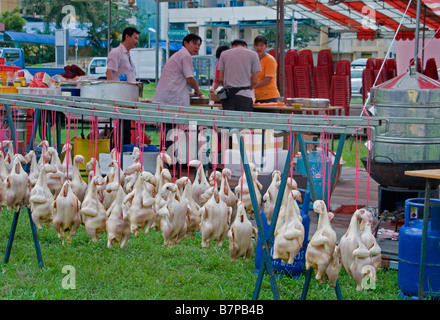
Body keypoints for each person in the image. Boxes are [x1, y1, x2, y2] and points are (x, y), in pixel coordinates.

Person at [106, 27, 140, 145]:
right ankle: (117, 155)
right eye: (135, 38)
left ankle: (124, 154)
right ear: (127, 36)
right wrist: (113, 92)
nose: (137, 41)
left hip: (128, 99)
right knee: (119, 131)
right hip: (119, 99)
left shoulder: (127, 55)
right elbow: (109, 72)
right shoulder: (116, 53)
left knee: (126, 130)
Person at [153, 33, 203, 108]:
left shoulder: (180, 54)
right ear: (185, 43)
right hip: (172, 100)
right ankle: (194, 121)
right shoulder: (185, 55)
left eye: (199, 45)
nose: (197, 47)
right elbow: (190, 79)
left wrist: (186, 93)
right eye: (194, 43)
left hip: (166, 98)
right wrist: (199, 92)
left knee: (181, 119)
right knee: (189, 119)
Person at [216, 39, 261, 112]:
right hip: (245, 96)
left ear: (232, 46)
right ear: (245, 47)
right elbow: (255, 81)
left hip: (229, 97)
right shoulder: (253, 54)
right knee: (243, 122)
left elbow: (220, 78)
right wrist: (248, 89)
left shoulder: (224, 54)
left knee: (229, 122)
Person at [253, 35, 280, 113]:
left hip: (269, 97)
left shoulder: (270, 60)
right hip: (255, 97)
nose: (259, 48)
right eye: (257, 45)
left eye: (261, 45)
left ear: (266, 46)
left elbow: (268, 80)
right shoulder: (253, 60)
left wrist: (252, 86)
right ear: (254, 46)